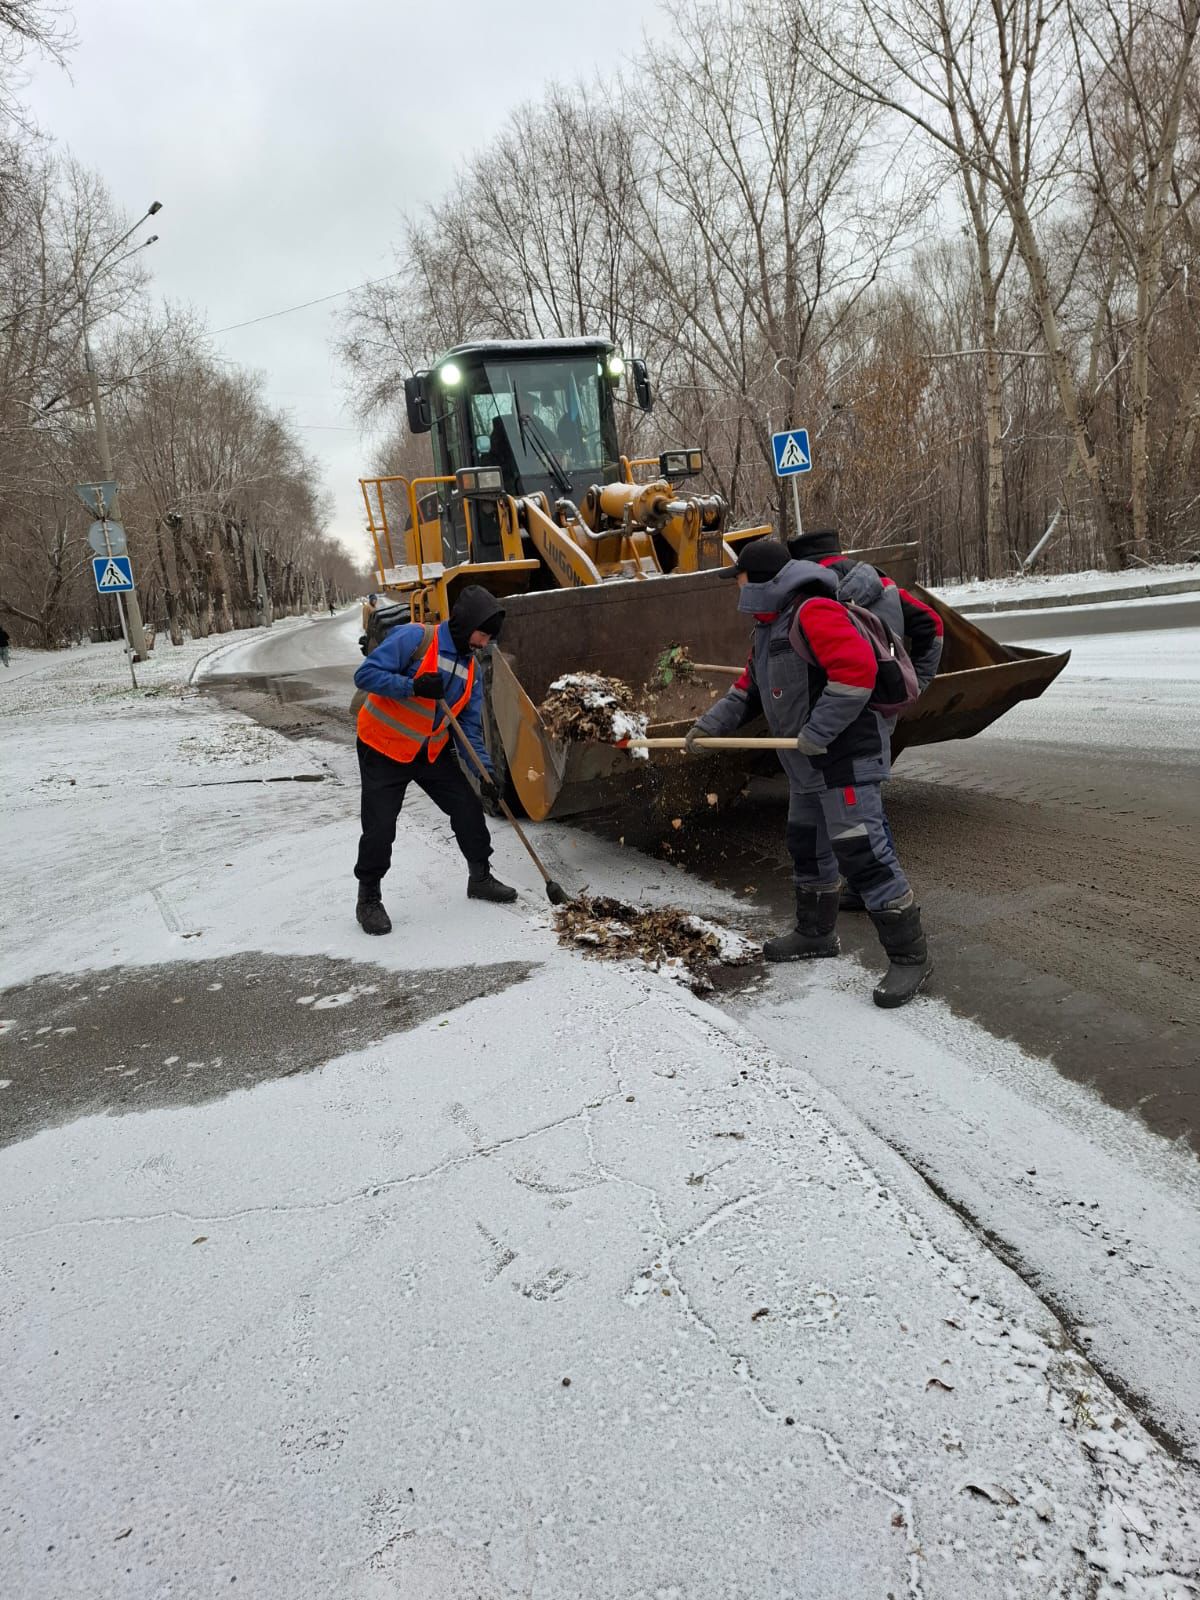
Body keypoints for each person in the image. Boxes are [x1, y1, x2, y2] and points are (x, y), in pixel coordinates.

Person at [684, 538, 932, 1007]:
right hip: (805, 765)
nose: (735, 586)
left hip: (844, 758)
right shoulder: (767, 629)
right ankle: (815, 933)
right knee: (806, 843)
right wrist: (707, 726)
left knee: (863, 853)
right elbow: (747, 691)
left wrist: (818, 731)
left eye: (738, 577)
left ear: (760, 580)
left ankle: (909, 958)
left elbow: (856, 673)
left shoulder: (814, 613)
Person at [787, 528, 944, 912]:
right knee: (864, 794)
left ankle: (878, 895)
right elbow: (931, 625)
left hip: (841, 708)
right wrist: (914, 682)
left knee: (858, 802)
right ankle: (860, 887)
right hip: (880, 703)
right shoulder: (884, 583)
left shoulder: (812, 595)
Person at [352, 584, 517, 934]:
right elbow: (364, 675)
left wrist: (487, 777)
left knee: (468, 807)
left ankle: (480, 878)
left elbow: (469, 730)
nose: (485, 643)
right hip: (382, 747)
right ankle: (368, 898)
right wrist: (412, 686)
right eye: (483, 634)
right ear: (467, 622)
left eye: (489, 638)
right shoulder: (415, 638)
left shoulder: (472, 669)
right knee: (381, 827)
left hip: (428, 751)